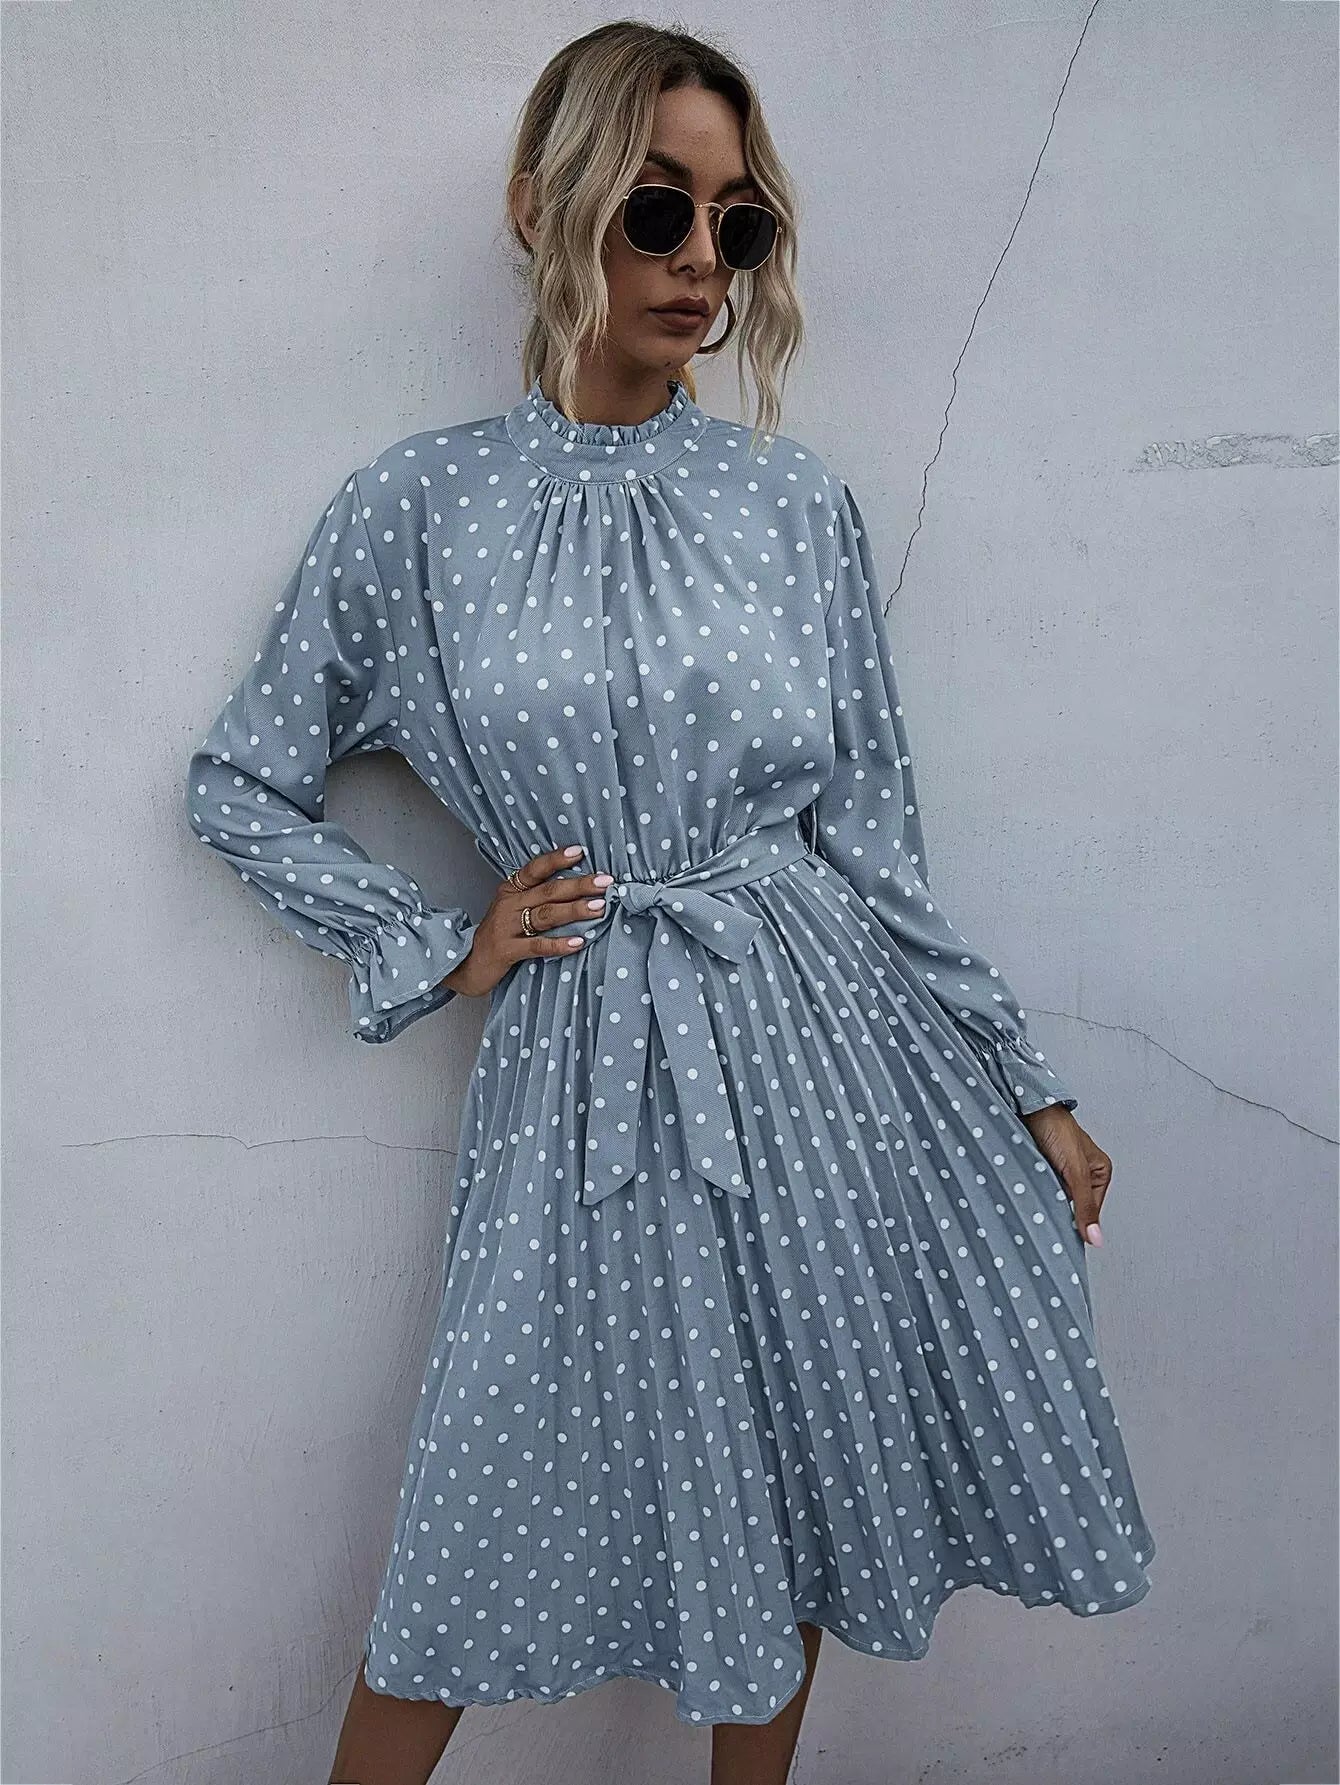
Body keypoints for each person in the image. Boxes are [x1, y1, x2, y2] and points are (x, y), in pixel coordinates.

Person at [183, 21, 1156, 1785]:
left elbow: (877, 838)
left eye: (738, 222)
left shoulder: (792, 503)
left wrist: (1029, 1082)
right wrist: (435, 942)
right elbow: (241, 780)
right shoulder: (419, 507)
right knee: (479, 1496)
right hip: (581, 1057)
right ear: (539, 208)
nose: (704, 259)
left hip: (818, 1038)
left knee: (788, 1469)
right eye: (658, 210)